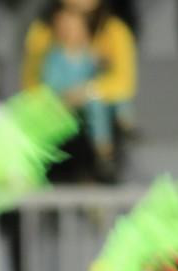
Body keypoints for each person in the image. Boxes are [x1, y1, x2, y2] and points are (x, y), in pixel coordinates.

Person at [23, 0, 137, 180]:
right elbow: (31, 85)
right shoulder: (42, 32)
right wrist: (59, 99)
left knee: (100, 112)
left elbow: (123, 84)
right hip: (55, 114)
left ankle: (103, 163)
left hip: (94, 115)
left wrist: (87, 91)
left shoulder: (115, 31)